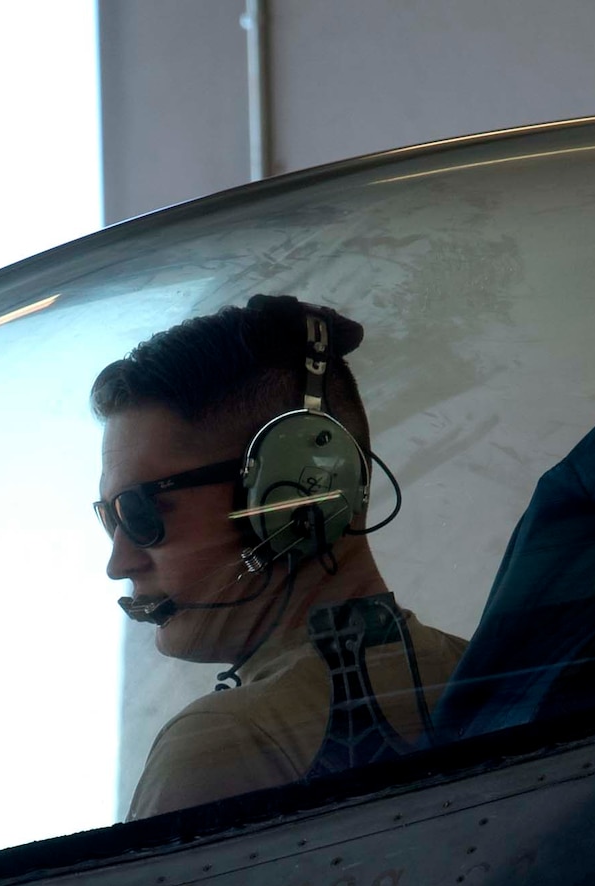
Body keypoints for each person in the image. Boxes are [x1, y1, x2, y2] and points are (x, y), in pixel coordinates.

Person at [91, 295, 467, 820]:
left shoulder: (229, 743)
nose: (120, 562)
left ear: (298, 493)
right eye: (108, 517)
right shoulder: (487, 670)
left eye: (139, 511)